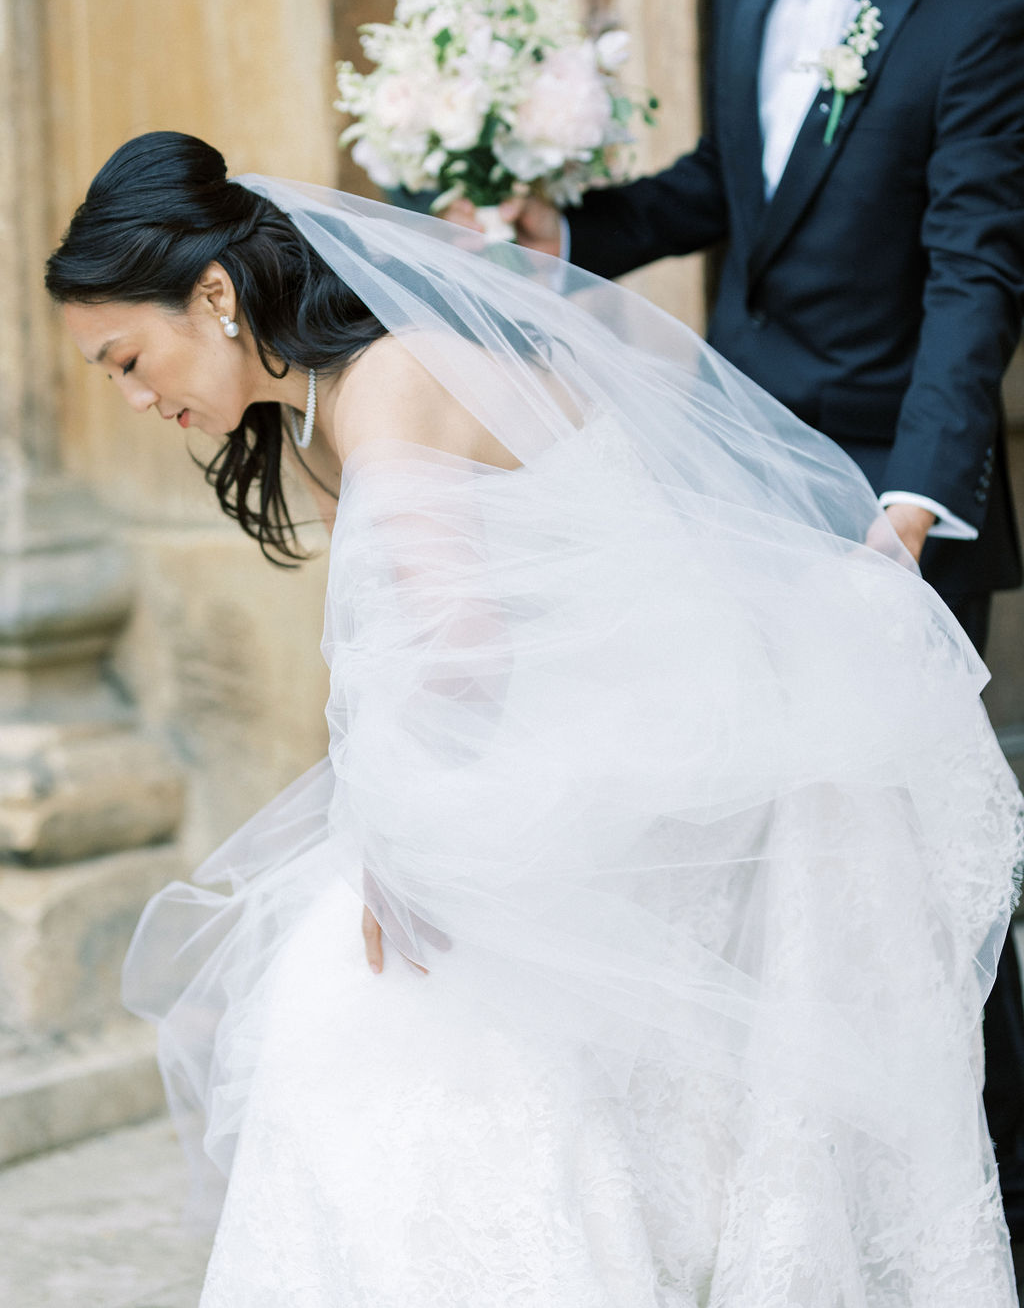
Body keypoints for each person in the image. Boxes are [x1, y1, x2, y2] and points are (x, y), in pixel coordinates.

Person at [49, 131, 1022, 1305]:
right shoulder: (316, 414)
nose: (134, 394)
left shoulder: (392, 383)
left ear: (212, 295)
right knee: (357, 983)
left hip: (678, 738)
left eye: (125, 356)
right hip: (602, 733)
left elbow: (460, 646)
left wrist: (405, 843)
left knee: (363, 1001)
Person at [456, 0, 1024, 1238]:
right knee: (770, 842)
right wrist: (569, 232)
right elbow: (737, 184)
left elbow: (976, 279)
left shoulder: (983, 13)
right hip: (728, 472)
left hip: (886, 512)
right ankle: (797, 1190)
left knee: (924, 859)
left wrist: (913, 503)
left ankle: (991, 1186)